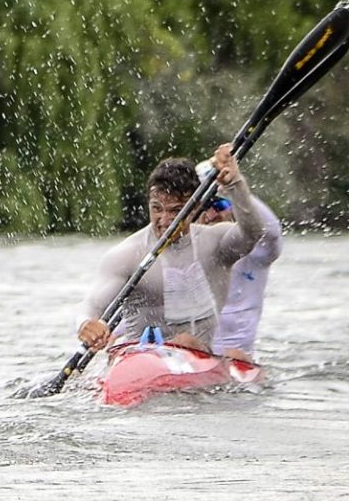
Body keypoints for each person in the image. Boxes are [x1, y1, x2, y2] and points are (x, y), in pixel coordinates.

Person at [77, 143, 267, 356]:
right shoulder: (127, 255)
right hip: (136, 358)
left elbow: (254, 234)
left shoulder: (216, 244)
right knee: (186, 343)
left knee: (218, 351)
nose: (165, 220)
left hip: (199, 358)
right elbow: (93, 305)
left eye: (176, 211)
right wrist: (87, 324)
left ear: (195, 208)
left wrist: (235, 184)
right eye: (157, 208)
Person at [196, 188, 283, 361]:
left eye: (219, 204)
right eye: (205, 206)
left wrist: (233, 189)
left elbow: (272, 232)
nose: (213, 214)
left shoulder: (258, 253)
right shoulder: (181, 253)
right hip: (191, 354)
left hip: (237, 362)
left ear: (232, 208)